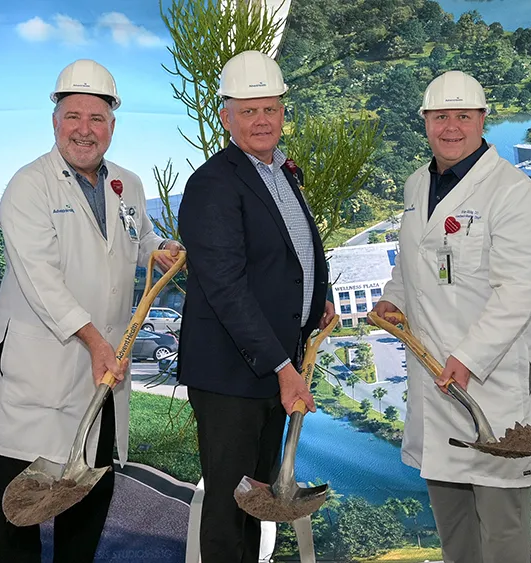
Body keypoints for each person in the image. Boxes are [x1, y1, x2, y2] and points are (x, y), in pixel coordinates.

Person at [0, 59, 182, 562]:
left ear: (112, 126)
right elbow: (39, 278)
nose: (84, 130)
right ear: (55, 123)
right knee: (19, 516)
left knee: (88, 511)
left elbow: (135, 242)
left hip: (102, 374)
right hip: (42, 372)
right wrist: (95, 340)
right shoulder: (28, 186)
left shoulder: (128, 185)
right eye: (73, 116)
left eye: (96, 119)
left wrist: (159, 247)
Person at [369, 70, 531, 563]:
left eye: (463, 116)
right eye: (440, 116)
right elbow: (411, 265)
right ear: (425, 121)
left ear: (483, 120)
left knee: (502, 522)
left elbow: (517, 292)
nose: (451, 127)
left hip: (492, 379)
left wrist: (469, 357)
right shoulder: (414, 185)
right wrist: (394, 299)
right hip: (435, 374)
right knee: (452, 519)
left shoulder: (513, 193)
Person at [176, 50, 334, 563]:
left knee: (259, 499)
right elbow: (225, 288)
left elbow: (290, 254)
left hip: (270, 368)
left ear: (284, 112)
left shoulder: (280, 173)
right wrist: (284, 367)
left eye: (270, 108)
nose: (262, 120)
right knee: (228, 508)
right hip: (231, 375)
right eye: (248, 110)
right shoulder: (213, 185)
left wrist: (318, 299)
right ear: (226, 118)